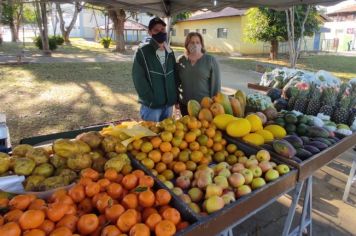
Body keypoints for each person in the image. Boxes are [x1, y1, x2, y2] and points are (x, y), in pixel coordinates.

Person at [132, 17, 177, 122]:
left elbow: (175, 75)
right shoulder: (142, 52)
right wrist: (151, 99)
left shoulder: (170, 52)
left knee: (167, 135)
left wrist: (173, 96)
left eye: (162, 30)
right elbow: (138, 79)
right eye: (156, 30)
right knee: (151, 136)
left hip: (169, 105)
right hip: (152, 107)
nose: (160, 32)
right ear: (149, 32)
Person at [176, 32, 221, 116]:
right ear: (187, 44)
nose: (195, 45)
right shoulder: (180, 60)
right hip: (185, 104)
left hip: (204, 107)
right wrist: (176, 100)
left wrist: (216, 104)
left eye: (198, 42)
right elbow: (177, 82)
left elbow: (216, 85)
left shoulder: (210, 60)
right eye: (192, 42)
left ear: (201, 45)